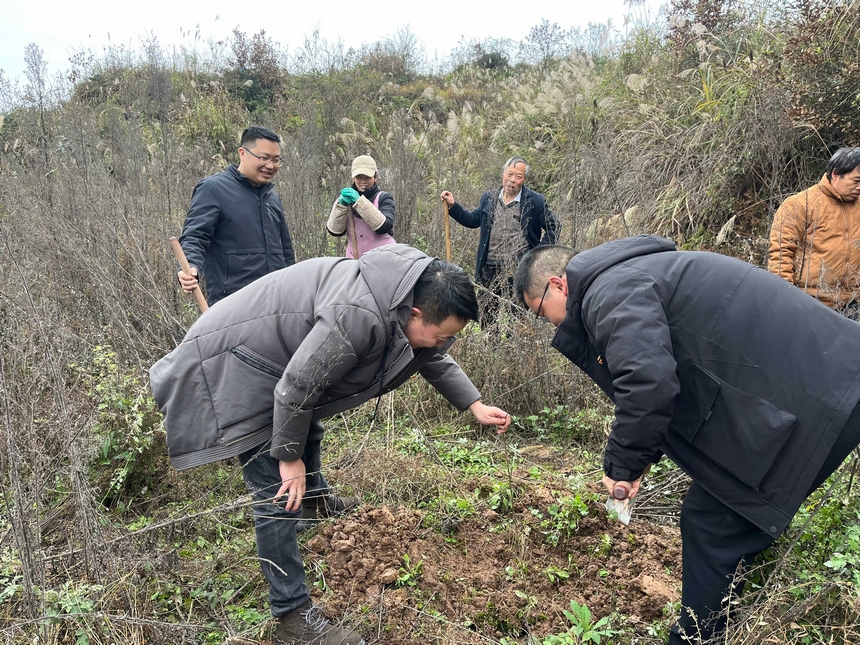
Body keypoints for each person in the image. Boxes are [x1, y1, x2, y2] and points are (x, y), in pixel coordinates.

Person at [151, 244, 511, 645]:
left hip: (274, 367)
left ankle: (316, 501)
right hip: (232, 367)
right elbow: (296, 387)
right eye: (440, 334)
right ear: (415, 313)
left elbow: (429, 353)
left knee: (309, 425)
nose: (441, 343)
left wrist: (474, 403)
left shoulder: (403, 293)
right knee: (277, 492)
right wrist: (288, 458)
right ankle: (292, 617)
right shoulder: (358, 312)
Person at [513, 235, 860, 645]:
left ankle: (695, 638)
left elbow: (647, 382)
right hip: (821, 382)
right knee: (723, 516)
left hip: (824, 394)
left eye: (539, 311)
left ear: (558, 285)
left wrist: (623, 465)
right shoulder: (632, 275)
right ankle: (723, 614)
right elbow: (679, 374)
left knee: (713, 522)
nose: (549, 322)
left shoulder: (610, 290)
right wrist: (642, 457)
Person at [176, 127, 350, 527]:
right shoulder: (214, 190)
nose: (271, 166)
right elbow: (194, 238)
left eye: (276, 160)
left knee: (306, 413)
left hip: (285, 321)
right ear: (243, 152)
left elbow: (287, 254)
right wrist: (192, 267)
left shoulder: (271, 198)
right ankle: (284, 513)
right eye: (264, 158)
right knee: (261, 419)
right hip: (240, 324)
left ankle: (314, 500)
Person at [440, 156, 560, 327]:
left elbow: (553, 226)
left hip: (519, 269)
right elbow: (473, 220)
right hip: (488, 268)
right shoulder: (489, 198)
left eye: (518, 177)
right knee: (487, 318)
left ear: (524, 179)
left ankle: (514, 352)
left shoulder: (535, 201)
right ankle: (490, 348)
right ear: (503, 173)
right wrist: (453, 206)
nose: (512, 180)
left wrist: (537, 254)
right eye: (509, 174)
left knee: (517, 319)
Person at [768, 147, 860, 319]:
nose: (859, 187)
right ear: (835, 174)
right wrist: (786, 299)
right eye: (856, 180)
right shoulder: (800, 204)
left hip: (851, 305)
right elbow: (780, 255)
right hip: (809, 303)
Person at [326, 155, 396, 258]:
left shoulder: (384, 198)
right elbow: (334, 231)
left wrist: (359, 202)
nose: (363, 181)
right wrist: (340, 206)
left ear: (375, 177)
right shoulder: (346, 200)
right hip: (355, 261)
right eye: (359, 177)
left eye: (367, 177)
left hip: (384, 258)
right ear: (353, 178)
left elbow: (384, 226)